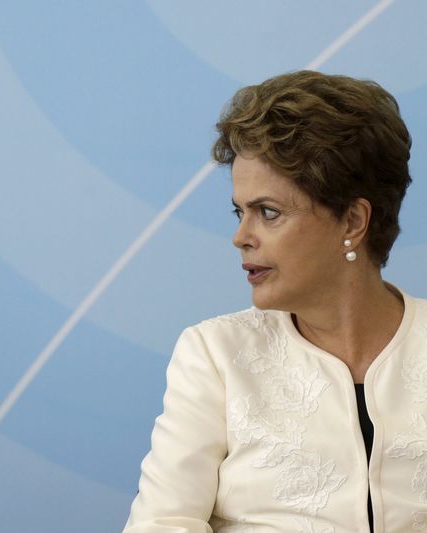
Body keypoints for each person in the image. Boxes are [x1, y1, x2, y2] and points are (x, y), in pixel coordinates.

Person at [123, 71, 421, 532]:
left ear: (353, 220)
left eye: (268, 212)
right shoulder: (215, 354)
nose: (240, 238)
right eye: (239, 212)